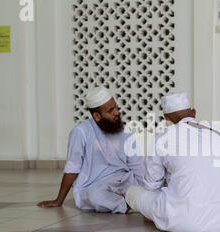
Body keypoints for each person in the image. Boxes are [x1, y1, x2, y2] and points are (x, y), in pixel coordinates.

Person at [125, 92, 220, 232]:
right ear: (193, 113)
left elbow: (152, 185)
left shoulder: (163, 136)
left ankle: (153, 216)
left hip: (183, 221)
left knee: (133, 192)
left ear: (166, 118)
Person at [37, 86, 145, 214]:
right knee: (95, 196)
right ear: (97, 116)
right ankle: (130, 204)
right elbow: (73, 166)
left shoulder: (124, 130)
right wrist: (59, 200)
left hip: (125, 180)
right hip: (97, 185)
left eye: (115, 107)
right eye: (110, 110)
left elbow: (137, 164)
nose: (116, 112)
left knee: (154, 177)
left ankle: (137, 200)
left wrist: (148, 187)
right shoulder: (81, 132)